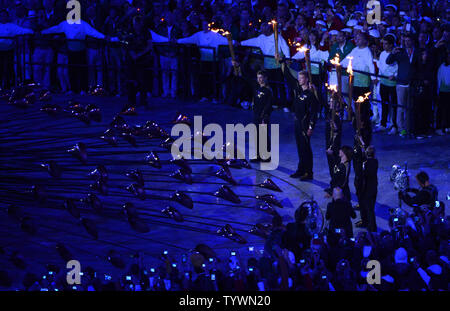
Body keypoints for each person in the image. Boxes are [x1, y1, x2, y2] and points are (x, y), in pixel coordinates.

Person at [279, 55, 318, 181]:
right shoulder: (297, 89)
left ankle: (309, 172)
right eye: (299, 78)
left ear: (307, 79)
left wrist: (311, 127)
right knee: (300, 147)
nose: (299, 80)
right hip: (297, 122)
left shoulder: (311, 94)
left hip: (305, 124)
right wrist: (283, 63)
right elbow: (288, 77)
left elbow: (314, 112)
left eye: (302, 78)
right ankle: (301, 170)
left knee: (306, 148)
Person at [386, 33, 420, 138]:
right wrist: (392, 53)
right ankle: (401, 129)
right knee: (401, 107)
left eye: (409, 40)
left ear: (412, 41)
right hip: (401, 84)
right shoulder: (400, 52)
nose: (407, 42)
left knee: (409, 107)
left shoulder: (417, 52)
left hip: (412, 84)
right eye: (405, 41)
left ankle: (408, 128)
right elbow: (388, 61)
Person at [377, 34, 398, 134]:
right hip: (383, 81)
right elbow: (381, 66)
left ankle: (394, 125)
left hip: (393, 82)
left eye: (386, 44)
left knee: (394, 105)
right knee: (384, 103)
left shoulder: (396, 54)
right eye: (383, 44)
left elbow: (398, 67)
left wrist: (394, 75)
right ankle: (383, 124)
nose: (384, 46)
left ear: (391, 45)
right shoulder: (382, 54)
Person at [358, 146, 378, 232]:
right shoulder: (375, 161)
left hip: (367, 189)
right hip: (374, 188)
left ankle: (372, 227)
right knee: (370, 208)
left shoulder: (365, 164)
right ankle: (367, 223)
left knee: (369, 210)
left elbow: (363, 175)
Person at [436, 50, 450, 135]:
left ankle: (448, 126)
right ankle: (439, 127)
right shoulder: (442, 66)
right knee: (441, 109)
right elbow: (439, 79)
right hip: (443, 91)